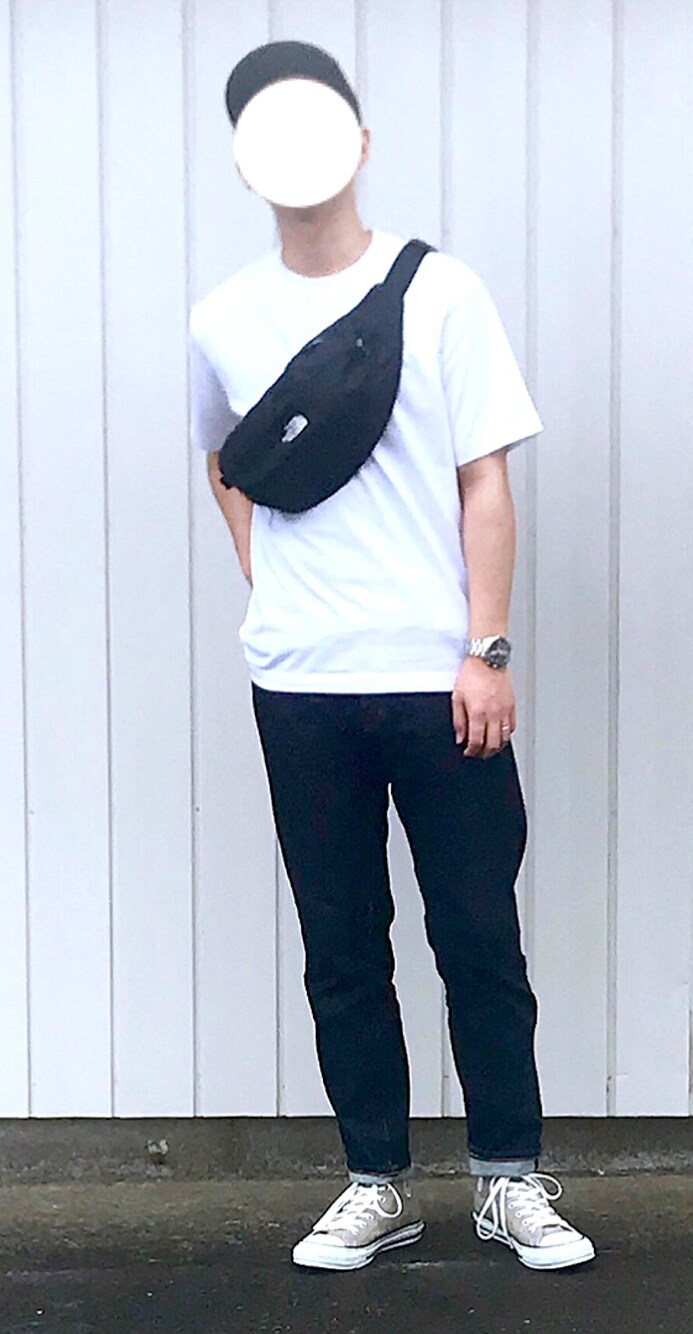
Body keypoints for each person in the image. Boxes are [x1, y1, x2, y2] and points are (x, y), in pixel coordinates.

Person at [188, 40, 595, 1273]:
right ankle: (377, 1181)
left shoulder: (441, 295)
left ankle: (508, 1177)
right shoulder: (222, 317)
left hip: (438, 679)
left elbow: (485, 480)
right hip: (300, 683)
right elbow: (226, 460)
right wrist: (273, 581)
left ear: (360, 143)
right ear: (244, 163)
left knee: (478, 935)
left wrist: (486, 648)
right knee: (342, 945)